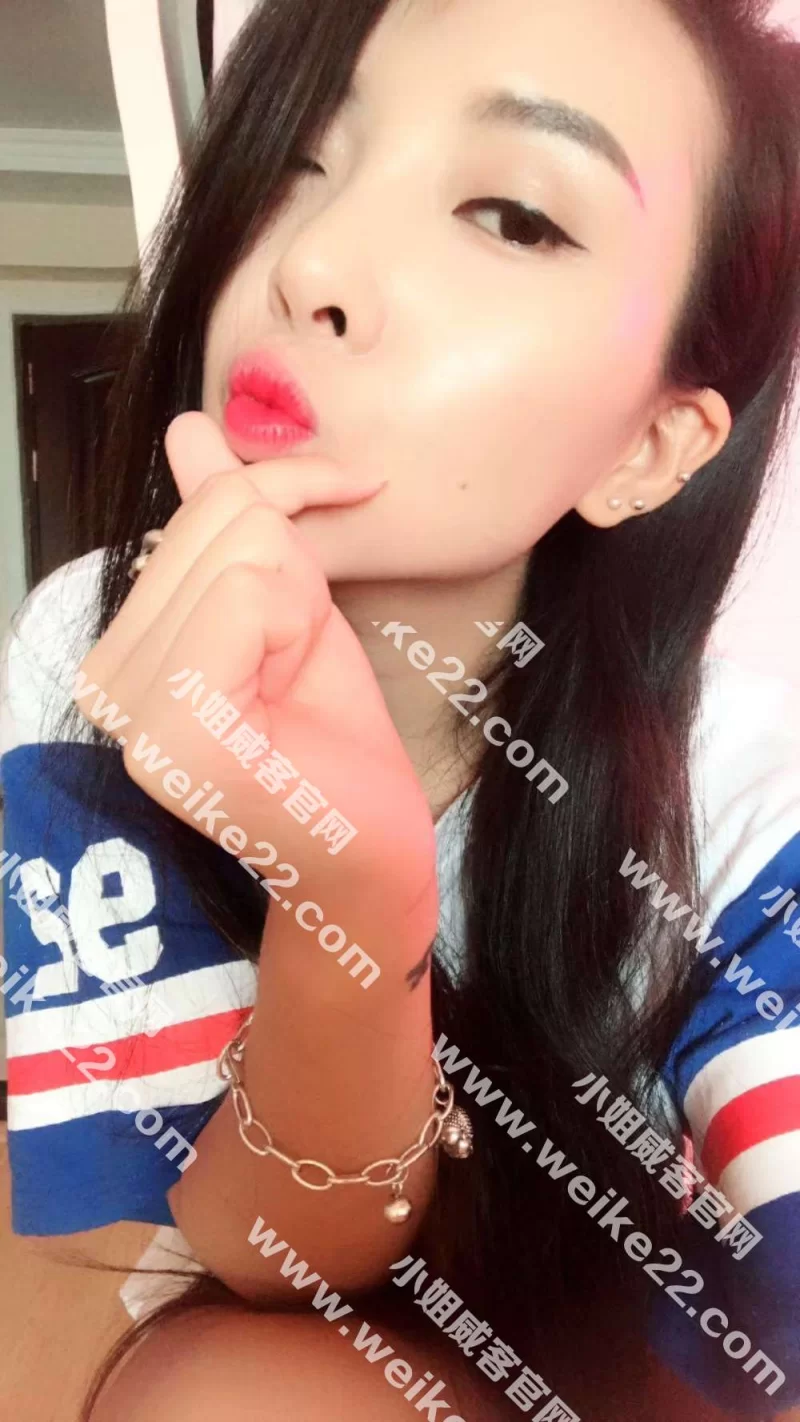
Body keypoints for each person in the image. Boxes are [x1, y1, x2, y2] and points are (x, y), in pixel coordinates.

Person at [2, 0, 800, 1417]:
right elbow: (273, 1260)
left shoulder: (745, 798)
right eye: (298, 160)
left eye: (512, 216)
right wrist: (349, 899)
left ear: (650, 445)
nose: (309, 263)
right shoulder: (94, 637)